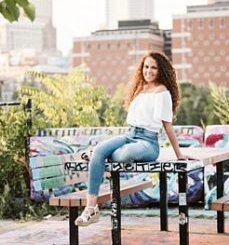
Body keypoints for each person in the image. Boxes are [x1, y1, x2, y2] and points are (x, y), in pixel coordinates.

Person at [75, 51, 184, 227]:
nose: (149, 71)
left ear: (161, 70)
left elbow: (167, 125)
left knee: (123, 155)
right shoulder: (139, 89)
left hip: (148, 142)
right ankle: (90, 208)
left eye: (154, 68)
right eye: (146, 67)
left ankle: (96, 154)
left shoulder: (162, 92)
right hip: (129, 134)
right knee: (100, 151)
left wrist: (179, 155)